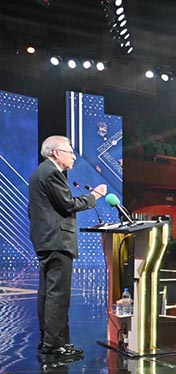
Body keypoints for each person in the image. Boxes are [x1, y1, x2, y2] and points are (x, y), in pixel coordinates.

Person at [29, 135, 107, 358]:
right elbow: (68, 204)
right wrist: (94, 196)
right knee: (58, 295)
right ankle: (55, 346)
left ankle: (50, 341)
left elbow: (32, 210)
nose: (73, 156)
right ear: (56, 153)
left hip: (45, 239)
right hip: (57, 240)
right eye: (70, 151)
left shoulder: (40, 173)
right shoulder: (52, 172)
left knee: (47, 294)